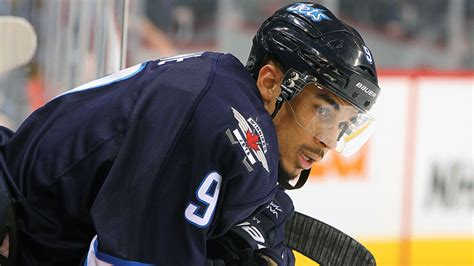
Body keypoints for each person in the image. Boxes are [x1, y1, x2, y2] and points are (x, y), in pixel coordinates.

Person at [0, 2, 380, 265]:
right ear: (270, 82)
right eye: (323, 110)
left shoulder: (227, 105)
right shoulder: (217, 123)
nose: (328, 140)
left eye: (343, 124)